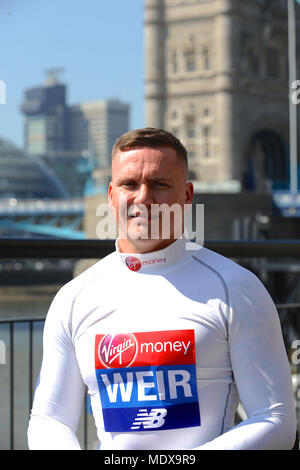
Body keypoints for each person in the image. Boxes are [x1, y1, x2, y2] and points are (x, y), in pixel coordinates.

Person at [27, 127, 297, 450]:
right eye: (130, 184)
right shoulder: (73, 299)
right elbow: (49, 420)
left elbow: (276, 418)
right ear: (112, 197)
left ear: (187, 195)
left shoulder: (236, 288)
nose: (144, 197)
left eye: (159, 184)